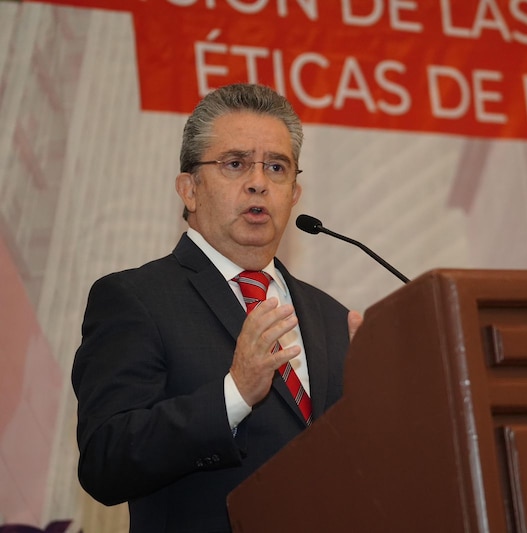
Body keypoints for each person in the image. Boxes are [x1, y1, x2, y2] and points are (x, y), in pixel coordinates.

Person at [71, 83, 363, 533]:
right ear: (189, 189)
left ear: (294, 194)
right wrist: (234, 394)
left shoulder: (332, 317)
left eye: (277, 167)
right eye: (235, 163)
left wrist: (382, 405)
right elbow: (105, 462)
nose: (258, 181)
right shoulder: (136, 299)